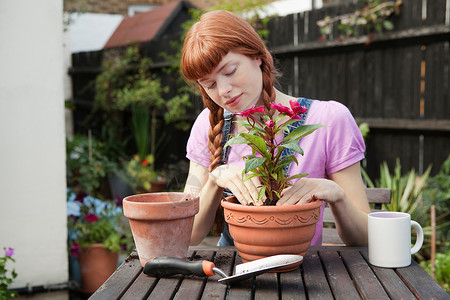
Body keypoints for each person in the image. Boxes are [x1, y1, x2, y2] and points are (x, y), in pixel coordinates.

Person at [180, 10, 371, 247]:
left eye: (230, 71)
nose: (223, 90)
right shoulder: (209, 124)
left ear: (258, 56)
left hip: (305, 275)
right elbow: (189, 235)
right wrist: (216, 179)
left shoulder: (330, 119)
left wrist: (337, 195)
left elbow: (365, 237)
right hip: (232, 275)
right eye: (209, 84)